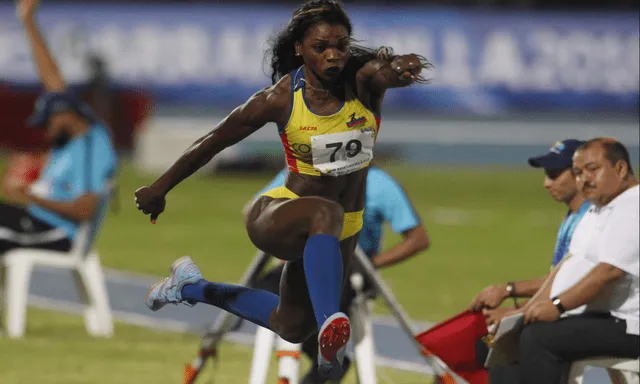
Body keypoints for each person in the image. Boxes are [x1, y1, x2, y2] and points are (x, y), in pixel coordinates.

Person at [134, 0, 431, 378]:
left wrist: (405, 66)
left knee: (290, 325)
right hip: (280, 213)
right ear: (299, 50)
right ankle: (330, 326)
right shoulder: (279, 99)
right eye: (321, 48)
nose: (333, 56)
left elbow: (389, 71)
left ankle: (190, 287)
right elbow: (213, 141)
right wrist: (160, 188)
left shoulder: (364, 82)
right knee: (327, 211)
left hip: (342, 228)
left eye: (340, 45)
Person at [251, 165, 430, 383]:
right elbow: (256, 212)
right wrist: (284, 242)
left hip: (350, 266)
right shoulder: (299, 172)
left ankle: (326, 364)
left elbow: (418, 238)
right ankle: (327, 362)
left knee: (320, 304)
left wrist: (371, 264)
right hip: (300, 260)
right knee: (265, 288)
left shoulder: (378, 183)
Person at [490, 138, 639, 384]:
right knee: (507, 338)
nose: (584, 179)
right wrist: (525, 311)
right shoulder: (597, 209)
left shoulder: (633, 207)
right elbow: (568, 265)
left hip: (630, 323)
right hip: (601, 316)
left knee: (539, 339)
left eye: (593, 169)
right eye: (578, 172)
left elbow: (609, 272)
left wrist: (557, 306)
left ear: (620, 169)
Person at [1, 0, 117, 255]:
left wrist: (29, 194)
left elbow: (85, 210)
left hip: (57, 233)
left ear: (65, 116)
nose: (45, 131)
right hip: (35, 222)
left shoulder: (92, 144)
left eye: (47, 123)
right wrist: (28, 21)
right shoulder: (72, 132)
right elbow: (52, 80)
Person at [470, 139, 590, 329]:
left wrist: (511, 298)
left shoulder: (589, 220)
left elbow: (572, 283)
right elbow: (558, 282)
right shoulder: (573, 215)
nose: (546, 183)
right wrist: (516, 303)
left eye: (554, 174)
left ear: (579, 174)